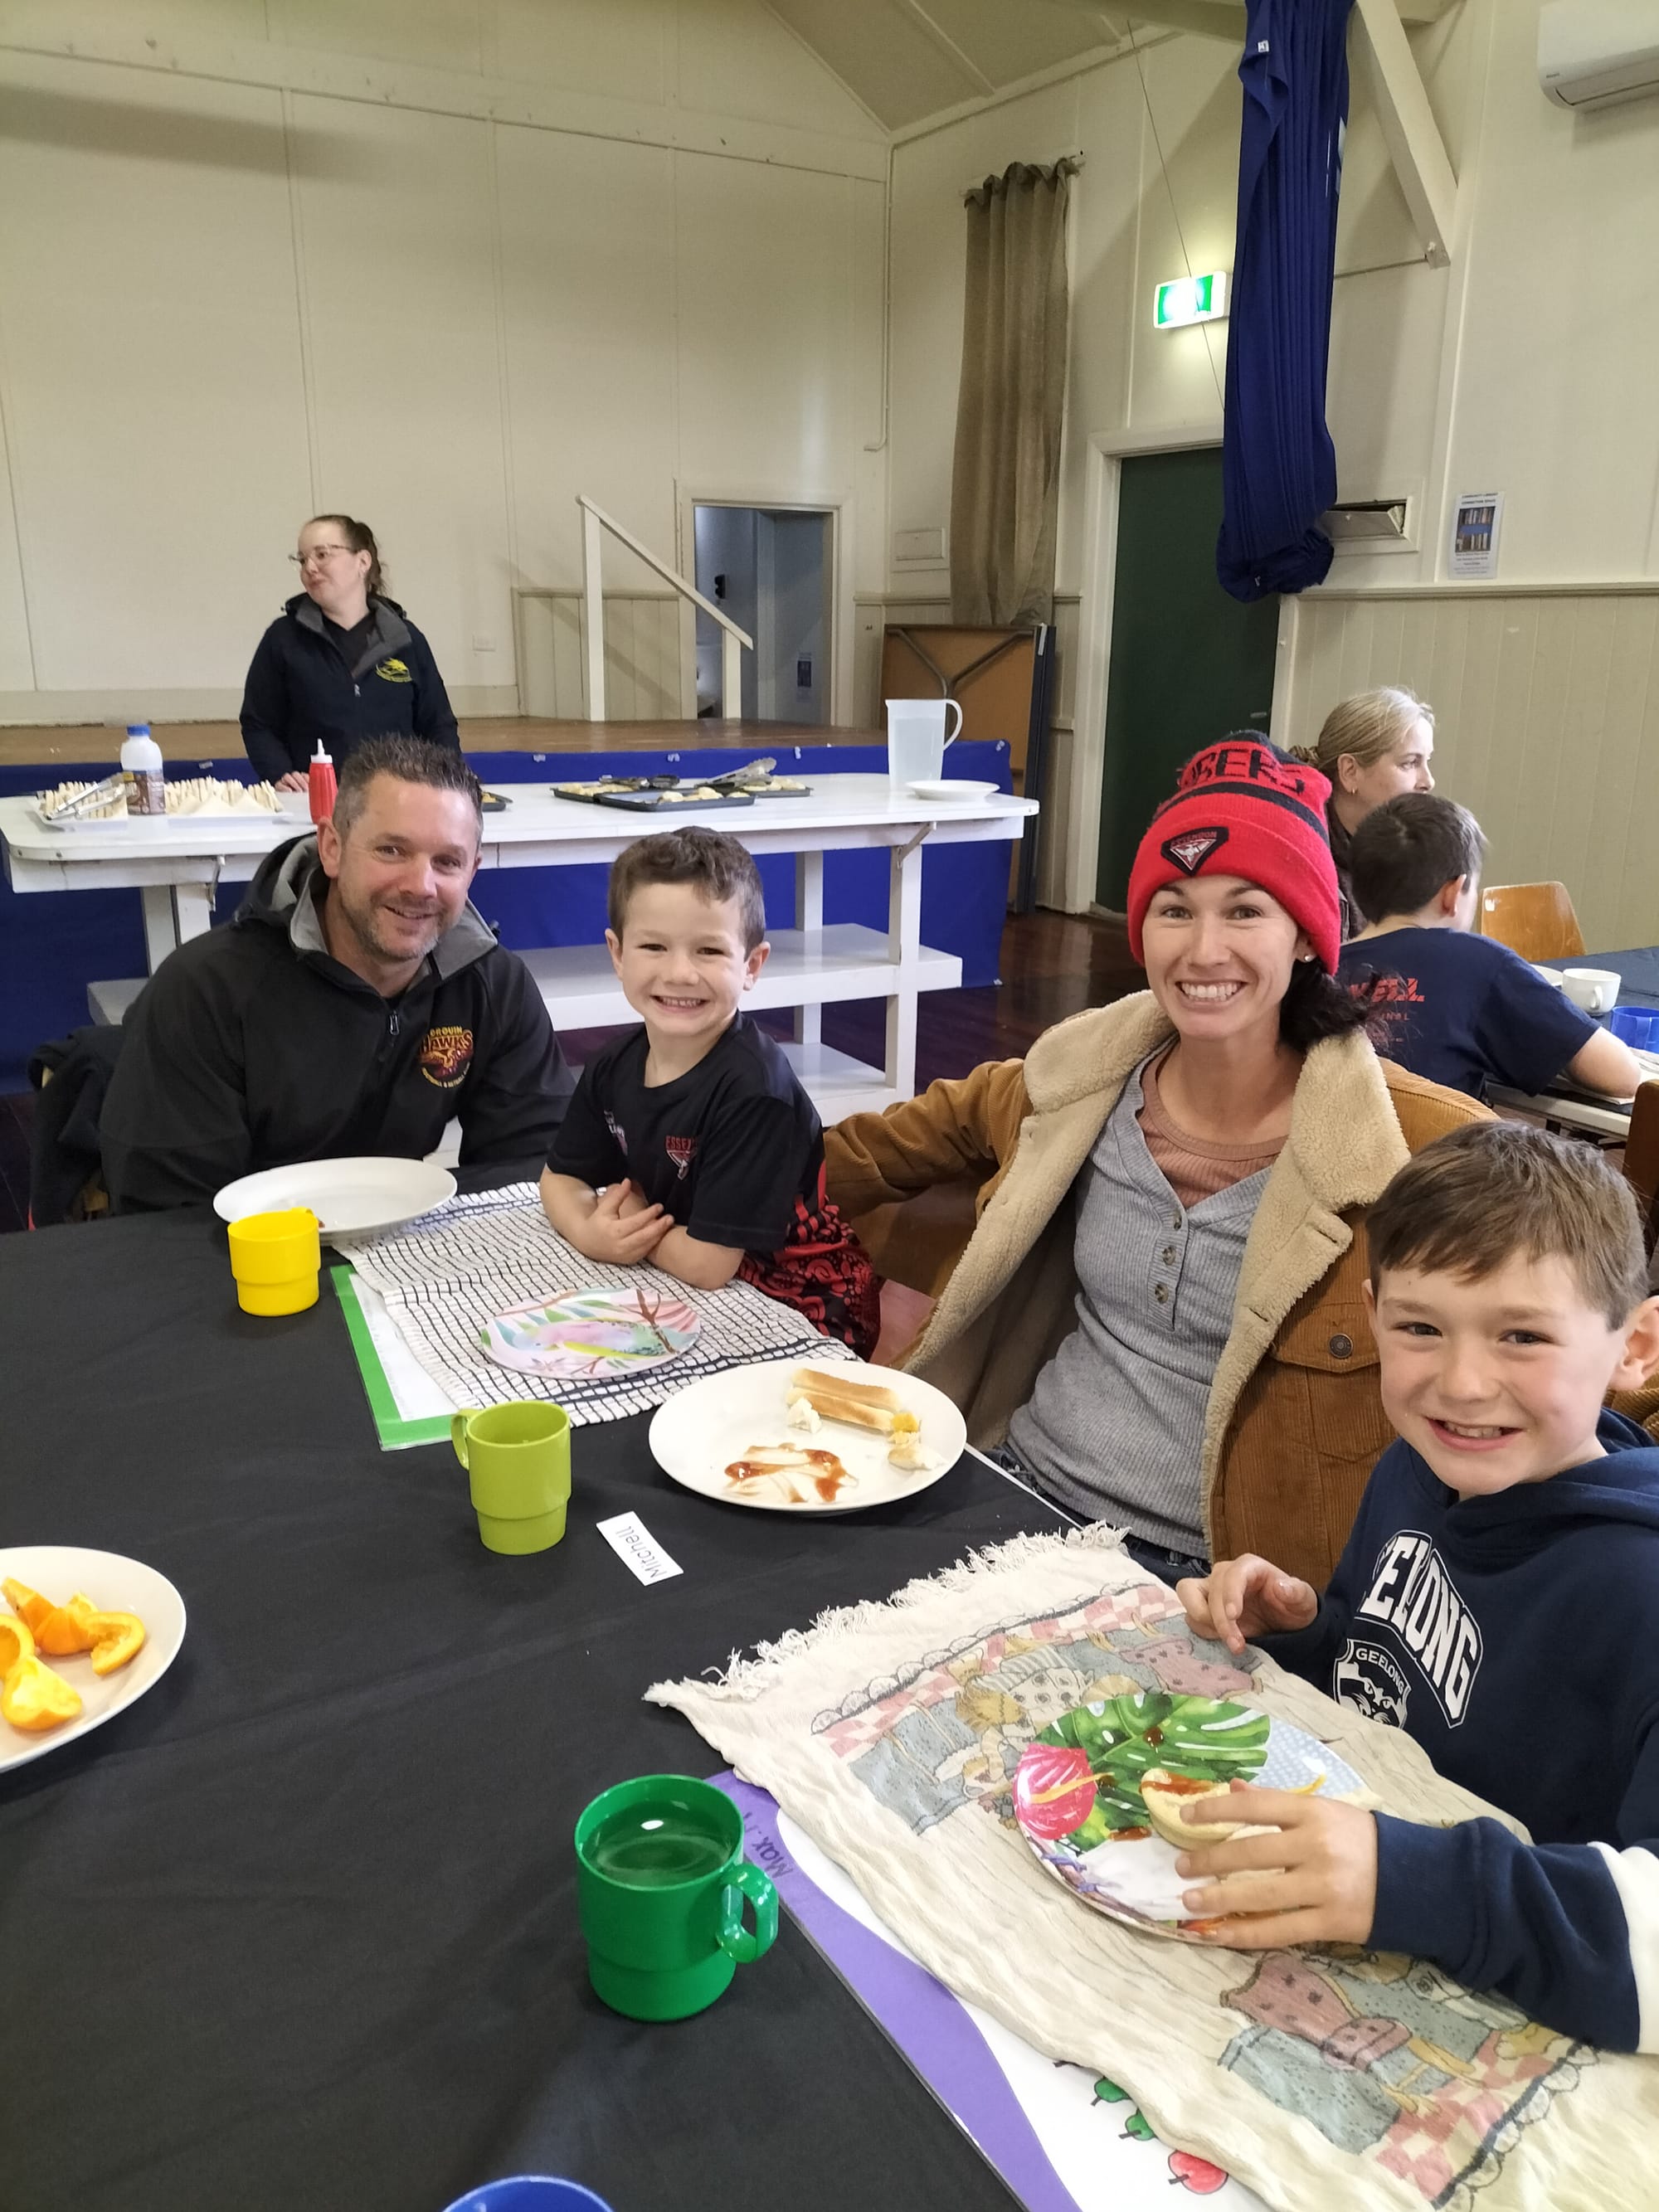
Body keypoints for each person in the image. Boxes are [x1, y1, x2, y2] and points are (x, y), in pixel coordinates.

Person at [825, 738, 1486, 1590]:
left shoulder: (1417, 1149)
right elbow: (868, 1152)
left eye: (1244, 911)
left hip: (1220, 1581)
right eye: (1172, 910)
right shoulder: (1079, 1079)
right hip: (1008, 1493)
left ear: (1303, 936)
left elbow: (1580, 1357)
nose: (1201, 950)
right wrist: (703, 1191)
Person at [1173, 1122, 1659, 2050]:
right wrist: (1308, 1628)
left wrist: (1409, 1884)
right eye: (1418, 1328)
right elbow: (1384, 1673)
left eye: (1521, 1335)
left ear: (1634, 1346)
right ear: (1372, 1311)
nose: (1461, 1383)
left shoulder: (1636, 1588)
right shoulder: (1413, 1468)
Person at [101, 738, 572, 1211]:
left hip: (401, 1250)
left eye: (446, 862)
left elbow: (535, 1169)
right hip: (251, 1257)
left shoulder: (493, 986)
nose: (420, 886)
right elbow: (166, 1216)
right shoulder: (205, 992)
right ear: (332, 848)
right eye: (391, 850)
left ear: (474, 870)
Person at [542, 827, 879, 1356]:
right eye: (653, 946)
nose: (679, 973)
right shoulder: (611, 1066)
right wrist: (591, 1234)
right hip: (691, 1277)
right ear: (617, 953)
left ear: (752, 966)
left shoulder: (754, 1091)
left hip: (804, 1306)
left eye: (709, 950)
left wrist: (630, 1219)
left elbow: (708, 1264)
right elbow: (560, 1177)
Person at [1338, 792, 1641, 1102]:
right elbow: (1622, 1077)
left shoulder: (1319, 972)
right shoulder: (1481, 963)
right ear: (1453, 893)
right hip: (1444, 1149)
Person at [241, 515, 460, 790]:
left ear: (363, 562)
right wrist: (279, 773)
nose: (309, 567)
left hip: (396, 803)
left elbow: (438, 724)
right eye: (302, 559)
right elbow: (258, 723)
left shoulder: (406, 638)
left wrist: (450, 783)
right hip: (314, 801)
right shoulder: (282, 638)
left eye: (322, 555)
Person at [1288, 686, 1436, 936]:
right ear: (1350, 772)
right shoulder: (1300, 857)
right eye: (1410, 763)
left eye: (1427, 761)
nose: (1428, 781)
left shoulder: (1404, 852)